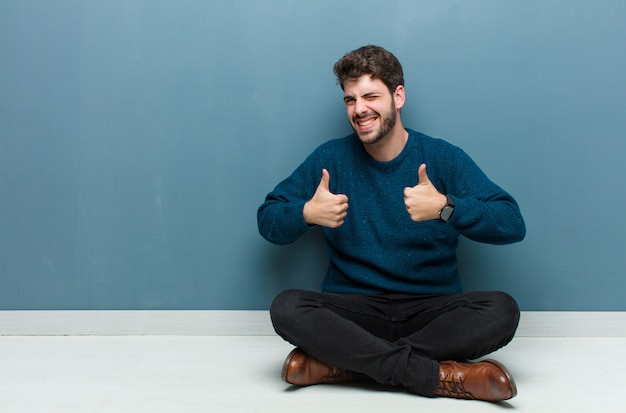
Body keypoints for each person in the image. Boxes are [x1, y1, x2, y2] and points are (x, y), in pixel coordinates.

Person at [257, 45, 526, 402]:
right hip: (355, 310)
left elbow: (511, 222)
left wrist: (447, 208)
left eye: (370, 96)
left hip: (431, 309)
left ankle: (345, 364)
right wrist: (306, 213)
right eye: (350, 100)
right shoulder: (330, 158)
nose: (360, 109)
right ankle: (436, 376)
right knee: (286, 307)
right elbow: (268, 218)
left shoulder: (442, 157)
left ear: (398, 97)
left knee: (502, 310)